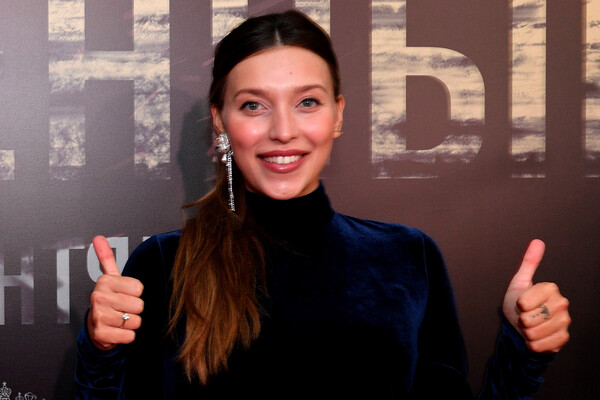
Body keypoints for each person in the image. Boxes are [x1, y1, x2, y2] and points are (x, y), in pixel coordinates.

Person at [75, 10, 571, 399]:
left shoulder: (409, 257)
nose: (283, 130)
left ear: (338, 115)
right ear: (221, 121)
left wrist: (522, 350)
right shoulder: (163, 266)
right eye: (253, 105)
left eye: (307, 102)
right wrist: (100, 351)